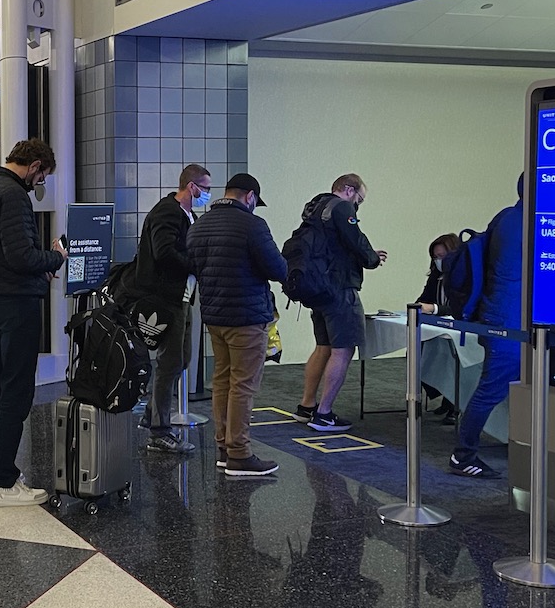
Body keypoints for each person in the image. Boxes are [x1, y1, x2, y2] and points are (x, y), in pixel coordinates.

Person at [0, 139, 66, 507]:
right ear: (35, 166)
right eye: (43, 177)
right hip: (17, 304)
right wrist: (53, 259)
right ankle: (4, 482)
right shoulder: (13, 194)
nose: (40, 185)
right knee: (16, 390)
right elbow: (21, 256)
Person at [186, 172, 286, 478]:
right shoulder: (253, 225)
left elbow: (192, 264)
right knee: (243, 384)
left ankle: (224, 447)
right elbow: (277, 267)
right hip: (247, 317)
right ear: (250, 197)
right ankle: (240, 454)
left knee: (223, 380)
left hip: (215, 316)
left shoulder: (200, 224)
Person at [297, 173, 387, 434]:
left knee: (323, 346)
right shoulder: (342, 206)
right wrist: (371, 259)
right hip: (339, 289)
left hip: (317, 288)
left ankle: (307, 406)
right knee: (343, 348)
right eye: (359, 198)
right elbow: (354, 238)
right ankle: (324, 414)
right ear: (349, 190)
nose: (358, 204)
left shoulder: (315, 207)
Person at [132, 163, 212, 454]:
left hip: (181, 296)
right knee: (170, 362)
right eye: (205, 188)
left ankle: (152, 415)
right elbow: (164, 252)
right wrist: (197, 264)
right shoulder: (168, 211)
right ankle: (159, 431)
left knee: (180, 360)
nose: (207, 194)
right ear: (191, 187)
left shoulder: (186, 214)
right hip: (166, 298)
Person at [450, 178, 523, 478]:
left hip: (498, 313)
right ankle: (462, 454)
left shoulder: (507, 216)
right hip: (509, 320)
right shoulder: (530, 223)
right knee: (490, 390)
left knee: (503, 388)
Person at [416, 233, 463, 421]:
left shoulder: (465, 278)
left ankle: (454, 402)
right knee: (417, 350)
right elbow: (424, 298)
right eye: (435, 258)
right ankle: (443, 394)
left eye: (442, 257)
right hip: (440, 328)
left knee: (450, 356)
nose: (438, 261)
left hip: (460, 330)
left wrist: (434, 308)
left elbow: (461, 308)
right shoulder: (436, 277)